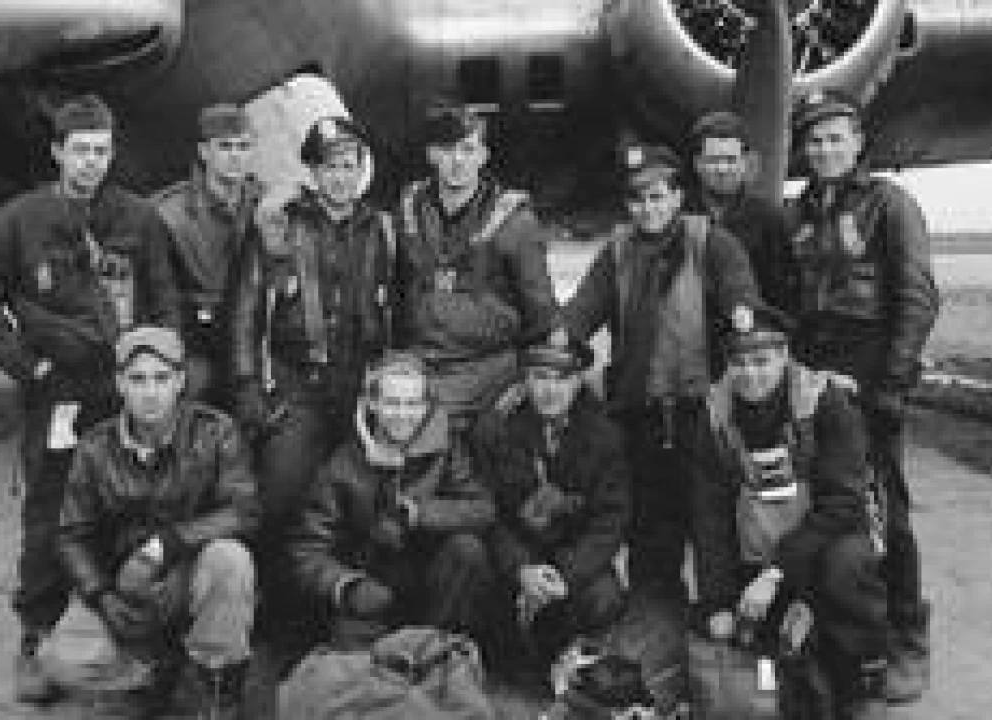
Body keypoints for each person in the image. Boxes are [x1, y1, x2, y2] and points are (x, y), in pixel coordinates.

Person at [0, 94, 180, 703]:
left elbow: (165, 300)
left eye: (101, 151)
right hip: (57, 393)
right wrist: (29, 366)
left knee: (137, 508)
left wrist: (157, 371)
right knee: (51, 516)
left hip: (126, 393)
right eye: (80, 150)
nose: (91, 162)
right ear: (57, 152)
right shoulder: (15, 222)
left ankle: (132, 638)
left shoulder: (139, 219)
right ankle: (35, 638)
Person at [787, 91, 940, 704]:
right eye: (814, 140)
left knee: (887, 512)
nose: (825, 149)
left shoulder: (891, 205)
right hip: (817, 381)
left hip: (871, 379)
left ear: (857, 142)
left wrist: (892, 386)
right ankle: (840, 636)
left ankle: (908, 639)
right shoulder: (799, 212)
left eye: (836, 138)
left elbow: (917, 298)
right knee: (824, 507)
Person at [562, 144, 759, 608]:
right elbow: (582, 312)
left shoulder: (711, 242)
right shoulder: (616, 252)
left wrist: (742, 310)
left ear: (677, 197)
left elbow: (738, 286)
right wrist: (556, 344)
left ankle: (719, 611)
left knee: (710, 518)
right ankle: (654, 613)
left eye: (657, 196)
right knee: (648, 520)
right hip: (640, 411)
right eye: (637, 199)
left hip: (701, 409)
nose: (647, 208)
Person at [228, 116, 397, 640]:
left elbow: (399, 307)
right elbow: (245, 311)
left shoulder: (381, 229)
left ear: (362, 170)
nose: (340, 178)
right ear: (312, 172)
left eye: (349, 166)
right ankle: (276, 610)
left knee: (357, 499)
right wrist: (248, 385)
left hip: (359, 385)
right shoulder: (280, 226)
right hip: (297, 383)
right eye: (329, 167)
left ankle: (347, 606)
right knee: (281, 494)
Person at [691, 304, 890, 719]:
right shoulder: (713, 415)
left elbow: (843, 504)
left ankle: (860, 684)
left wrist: (776, 572)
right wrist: (717, 602)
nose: (750, 375)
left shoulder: (826, 402)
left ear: (785, 355)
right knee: (747, 647)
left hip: (826, 544)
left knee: (845, 570)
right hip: (757, 553)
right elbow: (710, 516)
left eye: (762, 361)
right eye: (739, 363)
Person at [58, 326, 258, 718]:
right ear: (120, 384)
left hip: (190, 576)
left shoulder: (216, 431)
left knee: (230, 560)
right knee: (63, 662)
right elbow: (71, 536)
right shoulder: (95, 447)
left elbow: (244, 510)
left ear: (180, 381)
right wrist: (101, 595)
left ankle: (217, 686)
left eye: (161, 378)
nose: (150, 393)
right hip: (126, 588)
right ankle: (152, 674)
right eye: (137, 379)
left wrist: (164, 545)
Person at [286, 352, 495, 645]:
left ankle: (441, 648)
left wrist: (419, 513)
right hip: (372, 587)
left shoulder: (446, 449)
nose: (403, 415)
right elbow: (307, 550)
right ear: (372, 404)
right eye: (393, 403)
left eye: (412, 404)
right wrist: (347, 586)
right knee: (352, 652)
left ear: (425, 406)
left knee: (467, 550)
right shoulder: (342, 465)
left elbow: (482, 508)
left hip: (433, 587)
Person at [395, 101, 558, 431]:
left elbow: (541, 316)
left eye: (468, 149)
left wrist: (526, 382)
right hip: (424, 362)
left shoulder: (514, 222)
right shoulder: (409, 211)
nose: (457, 161)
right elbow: (398, 294)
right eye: (447, 149)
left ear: (484, 156)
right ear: (431, 154)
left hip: (489, 366)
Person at [471, 339, 631, 673]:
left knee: (604, 597)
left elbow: (610, 520)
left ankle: (558, 653)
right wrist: (520, 568)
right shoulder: (494, 429)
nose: (550, 390)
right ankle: (501, 654)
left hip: (568, 555)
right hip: (513, 553)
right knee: (474, 571)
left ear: (578, 381)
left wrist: (567, 575)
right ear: (525, 380)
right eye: (540, 377)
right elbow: (485, 511)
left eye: (562, 379)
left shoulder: (605, 435)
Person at [154, 103, 264, 408]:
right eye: (225, 146)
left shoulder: (267, 207)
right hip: (194, 341)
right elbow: (159, 296)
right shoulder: (168, 214)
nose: (235, 156)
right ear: (204, 151)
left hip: (252, 342)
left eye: (243, 146)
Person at [685, 110, 796, 314]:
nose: (722, 169)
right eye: (713, 160)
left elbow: (783, 294)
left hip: (751, 329)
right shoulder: (677, 215)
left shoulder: (769, 218)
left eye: (730, 160)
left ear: (745, 162)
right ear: (697, 164)